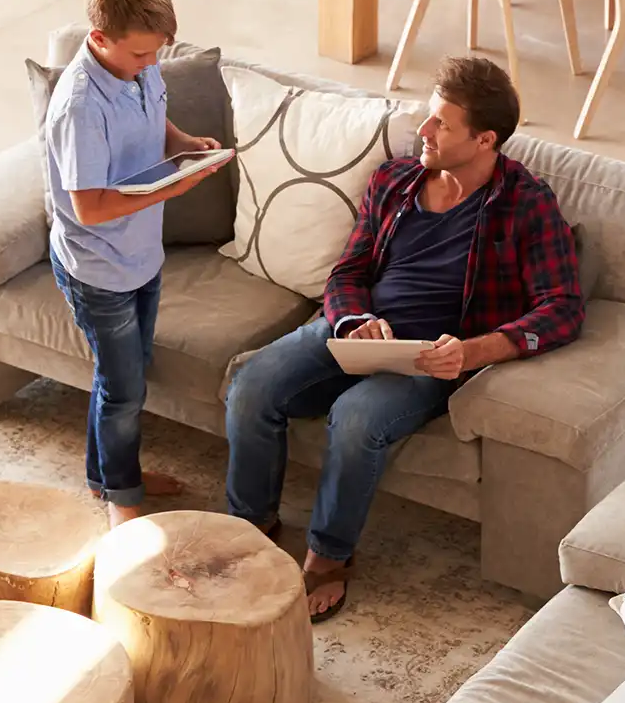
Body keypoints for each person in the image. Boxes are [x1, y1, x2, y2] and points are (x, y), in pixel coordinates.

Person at [224, 55, 585, 621]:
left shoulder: (526, 204)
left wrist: (473, 352)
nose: (425, 130)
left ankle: (328, 557)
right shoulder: (394, 180)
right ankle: (251, 525)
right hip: (356, 332)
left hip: (427, 358)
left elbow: (562, 308)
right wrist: (352, 320)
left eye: (442, 123)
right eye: (429, 115)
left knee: (356, 418)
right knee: (251, 384)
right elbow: (348, 272)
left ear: (485, 139)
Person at [44, 0, 227, 526]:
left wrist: (183, 143)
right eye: (142, 54)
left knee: (126, 376)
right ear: (100, 39)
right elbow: (89, 208)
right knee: (122, 390)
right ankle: (123, 502)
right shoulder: (81, 108)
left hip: (141, 255)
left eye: (156, 54)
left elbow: (154, 112)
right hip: (99, 268)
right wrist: (177, 185)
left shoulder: (139, 69)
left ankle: (108, 477)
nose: (151, 64)